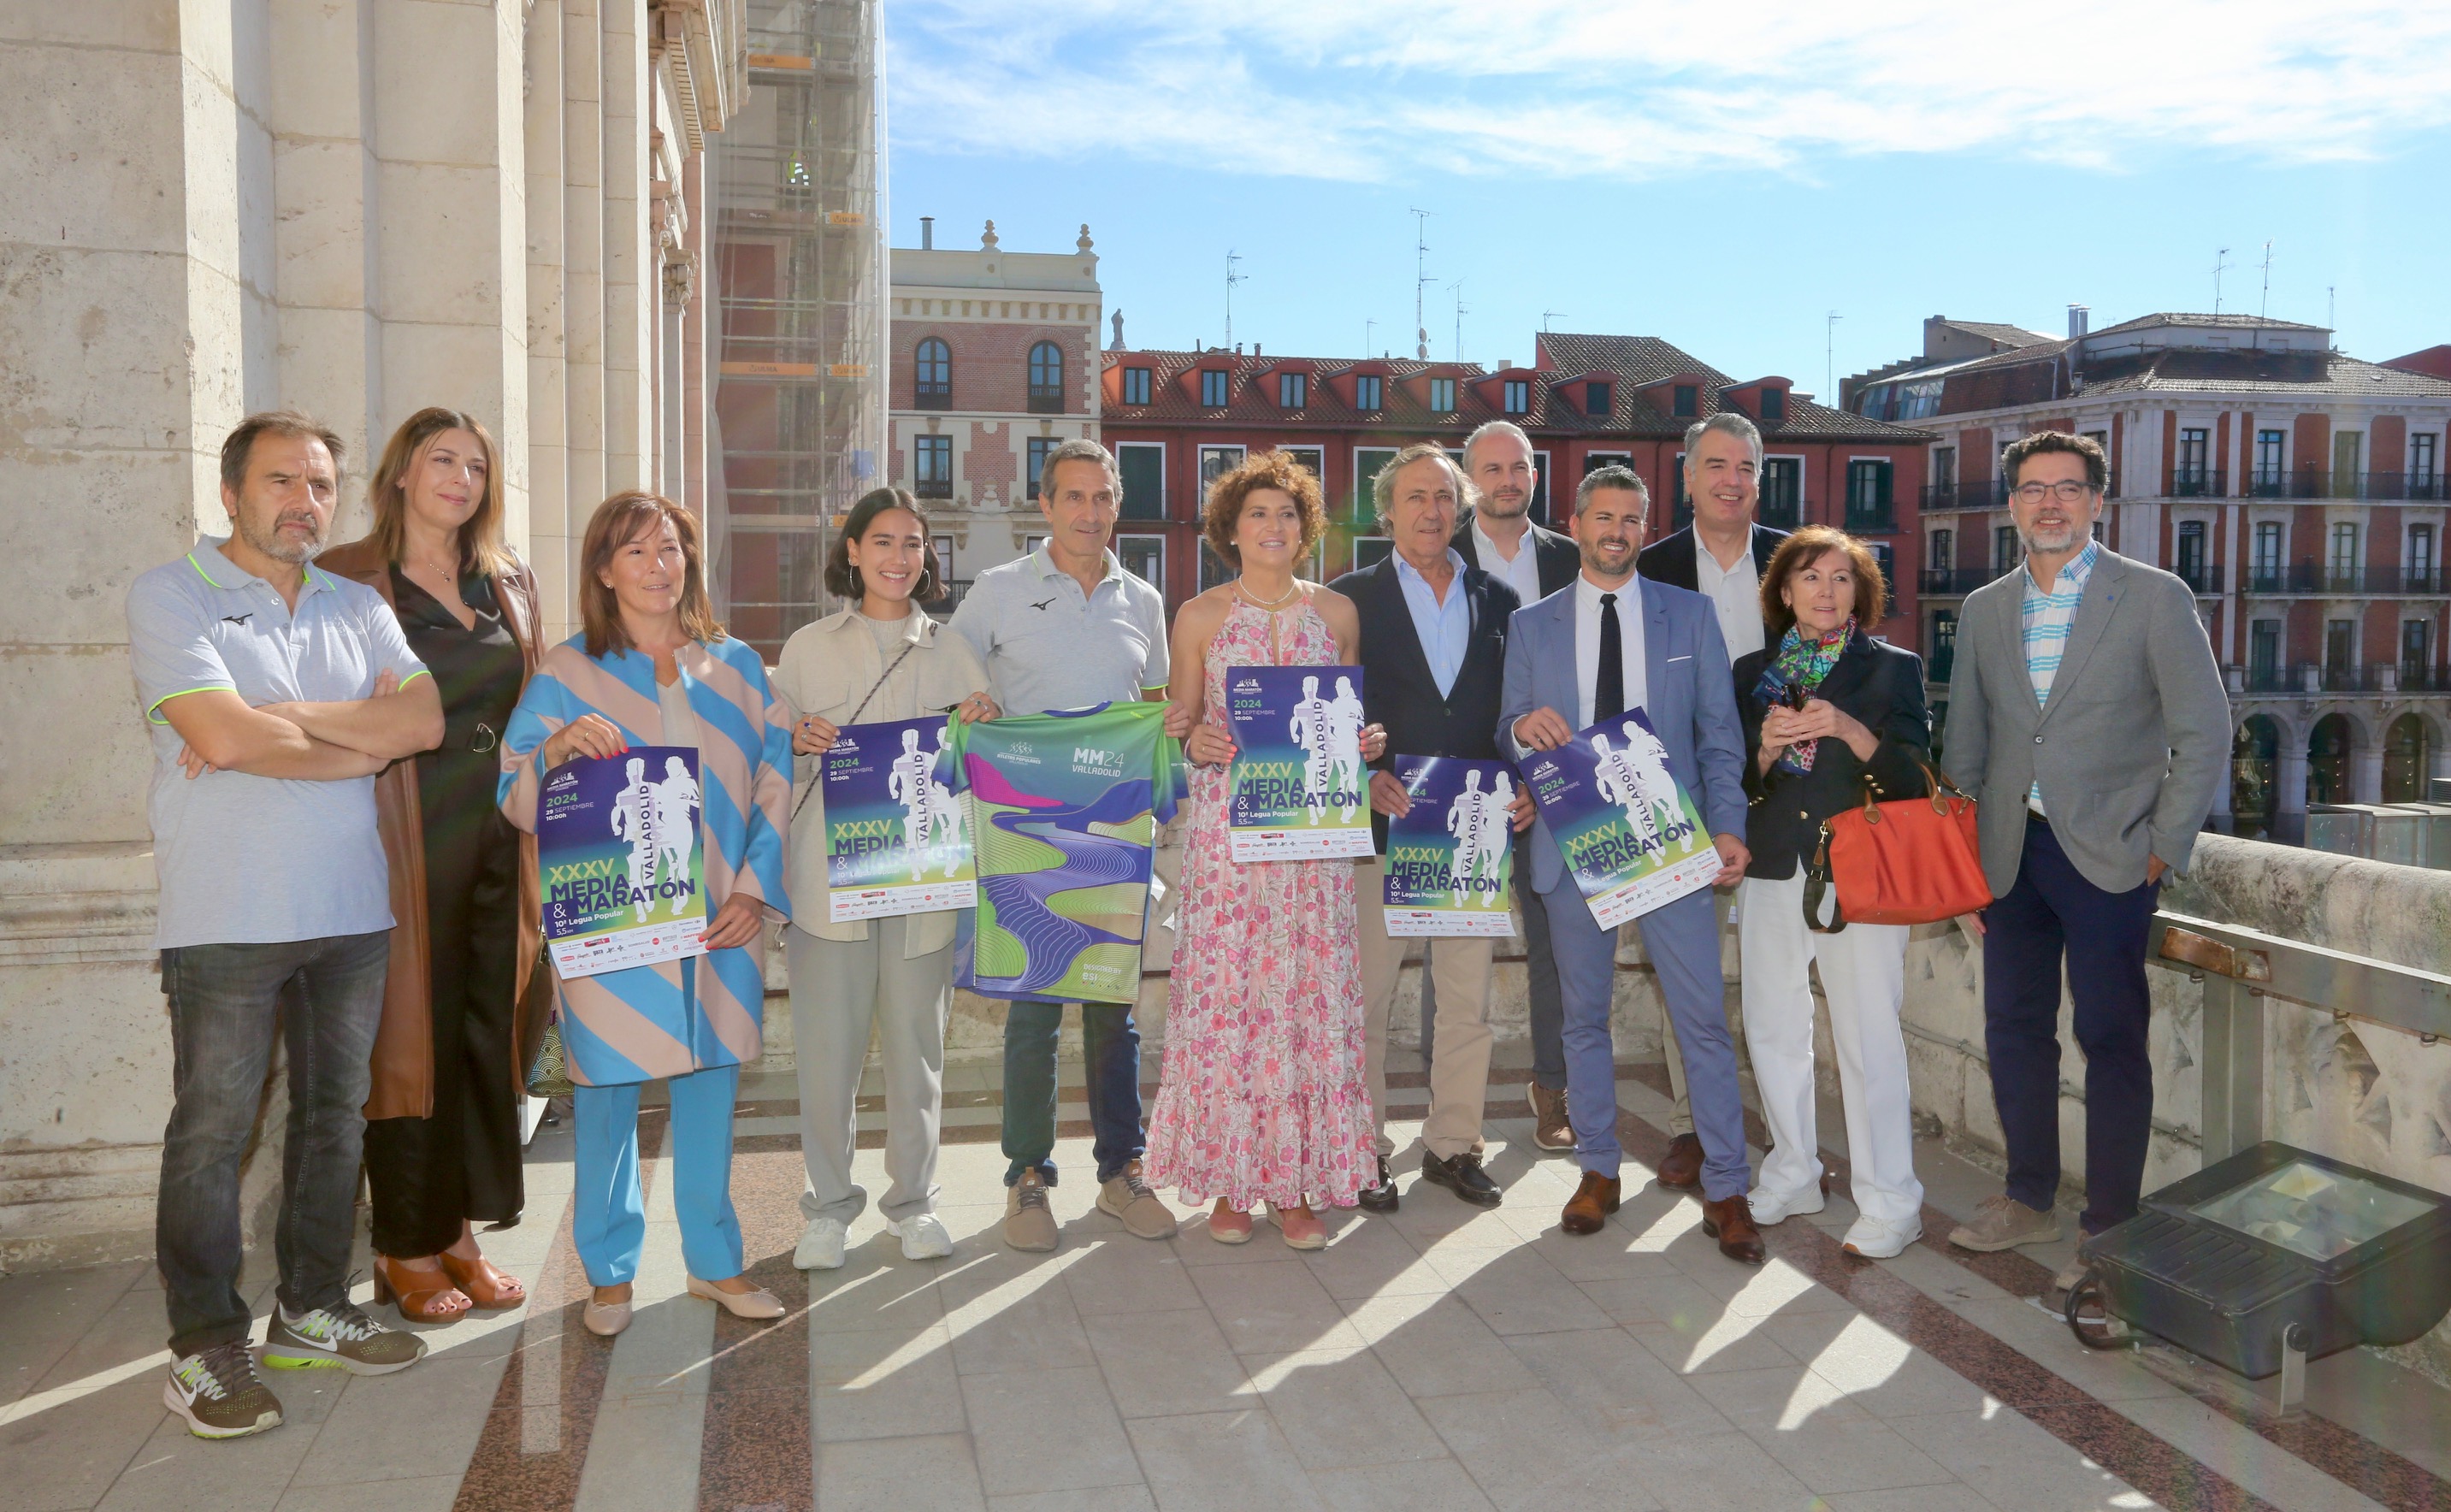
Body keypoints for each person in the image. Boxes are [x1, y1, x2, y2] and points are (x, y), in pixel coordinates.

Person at [129, 411, 444, 1438]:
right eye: (279, 481)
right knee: (212, 1132)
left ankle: (310, 1307)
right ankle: (204, 1348)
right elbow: (215, 732)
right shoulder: (171, 592)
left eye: (317, 483)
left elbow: (423, 723)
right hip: (226, 914)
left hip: (351, 909)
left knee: (332, 1117)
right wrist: (354, 737)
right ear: (232, 492)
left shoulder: (358, 602)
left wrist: (287, 720)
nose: (301, 501)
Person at [1940, 432, 2229, 1292]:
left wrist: (2160, 847)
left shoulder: (2149, 597)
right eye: (2033, 489)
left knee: (2109, 1040)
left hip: (2109, 857)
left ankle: (2107, 1230)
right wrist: (1964, 866)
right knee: (2014, 1032)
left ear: (2099, 502)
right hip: (2007, 856)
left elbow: (2203, 729)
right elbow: (1967, 744)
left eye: (2068, 488)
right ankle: (2027, 1198)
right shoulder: (1987, 606)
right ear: (2012, 506)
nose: (2051, 504)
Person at [499, 491, 792, 1337]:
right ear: (602, 570)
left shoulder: (736, 665)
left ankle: (716, 1263)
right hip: (614, 926)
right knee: (607, 1097)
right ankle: (610, 1273)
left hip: (721, 918)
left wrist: (753, 890)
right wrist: (553, 752)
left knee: (710, 1089)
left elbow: (774, 783)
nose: (659, 566)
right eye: (635, 552)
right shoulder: (565, 672)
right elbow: (511, 793)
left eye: (669, 548)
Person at [1498, 465, 1762, 1262]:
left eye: (1631, 518)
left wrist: (1728, 825)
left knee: (1702, 1022)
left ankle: (1726, 1184)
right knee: (1583, 1021)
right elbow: (1506, 724)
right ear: (1574, 523)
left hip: (1671, 843)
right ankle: (1599, 1170)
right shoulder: (1533, 624)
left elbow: (1721, 735)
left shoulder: (1689, 615)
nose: (1616, 530)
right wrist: (1522, 734)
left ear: (1647, 527)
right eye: (1603, 516)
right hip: (1572, 841)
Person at [320, 407, 546, 1325]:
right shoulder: (345, 579)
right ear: (402, 473)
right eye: (441, 459)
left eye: (476, 466)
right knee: (407, 1041)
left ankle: (458, 1229)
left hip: (498, 831)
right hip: (399, 828)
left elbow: (534, 700)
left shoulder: (509, 582)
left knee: (487, 1024)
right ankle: (404, 1245)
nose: (460, 478)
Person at [949, 440, 1189, 1252]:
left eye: (1102, 498)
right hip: (1023, 818)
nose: (1089, 513)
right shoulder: (996, 591)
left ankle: (1123, 1170)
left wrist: (1173, 738)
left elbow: (1153, 697)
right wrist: (972, 702)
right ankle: (1026, 1178)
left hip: (1116, 823)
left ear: (1116, 505)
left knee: (1111, 1011)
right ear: (1045, 505)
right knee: (1032, 1011)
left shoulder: (1144, 600)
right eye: (1073, 498)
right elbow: (954, 666)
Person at [1145, 450, 1384, 1247]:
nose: (1273, 526)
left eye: (1287, 513)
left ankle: (1298, 1188)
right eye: (1257, 514)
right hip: (1229, 845)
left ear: (1306, 526)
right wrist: (1197, 739)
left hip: (1314, 852)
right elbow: (1177, 726)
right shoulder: (1200, 616)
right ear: (1231, 529)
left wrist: (1367, 743)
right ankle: (1229, 1185)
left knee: (1305, 1009)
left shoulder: (1338, 615)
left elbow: (1349, 727)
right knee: (1230, 1008)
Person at [775, 487, 999, 1273]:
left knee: (917, 1056)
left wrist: (984, 724)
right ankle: (828, 1210)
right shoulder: (804, 650)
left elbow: (982, 773)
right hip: (825, 888)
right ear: (852, 552)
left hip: (921, 886)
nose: (899, 558)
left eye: (913, 543)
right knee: (826, 1060)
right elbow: (770, 768)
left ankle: (915, 1204)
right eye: (883, 542)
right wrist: (796, 738)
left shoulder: (955, 653)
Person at [1330, 444, 1529, 1213]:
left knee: (1466, 1001)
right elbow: (1333, 715)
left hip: (1474, 827)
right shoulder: (1347, 600)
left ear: (1464, 506)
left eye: (1444, 497)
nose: (1431, 512)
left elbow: (1511, 716)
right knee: (1368, 999)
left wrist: (1522, 786)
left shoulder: (1501, 600)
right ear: (1387, 512)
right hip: (1387, 826)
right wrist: (1358, 780)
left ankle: (1453, 1145)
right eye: (1415, 497)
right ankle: (1364, 1149)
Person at [1730, 528, 1932, 1259]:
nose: (1825, 591)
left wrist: (1849, 730)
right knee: (1772, 1028)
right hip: (1773, 867)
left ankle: (1891, 1201)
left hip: (1860, 874)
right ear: (1784, 592)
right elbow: (1732, 782)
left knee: (1868, 1036)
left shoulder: (1892, 670)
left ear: (1860, 592)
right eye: (1809, 577)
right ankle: (1793, 1170)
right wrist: (1765, 751)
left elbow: (1915, 779)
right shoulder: (1751, 671)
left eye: (1841, 579)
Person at [1636, 411, 1789, 1190]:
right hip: (1679, 797)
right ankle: (1692, 1126)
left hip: (1786, 795)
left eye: (1747, 467)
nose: (1733, 480)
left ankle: (1790, 1137)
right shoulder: (1651, 567)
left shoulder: (1796, 563)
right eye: (1718, 465)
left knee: (1782, 974)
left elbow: (1827, 656)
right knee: (1689, 971)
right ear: (1687, 476)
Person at [1450, 421, 1580, 1151]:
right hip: (1458, 782)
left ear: (1535, 476)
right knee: (1451, 943)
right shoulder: (1437, 556)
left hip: (1551, 784)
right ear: (1471, 480)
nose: (1508, 480)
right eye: (1493, 469)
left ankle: (1552, 1089)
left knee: (1555, 945)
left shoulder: (1570, 559)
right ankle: (1449, 1107)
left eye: (1520, 468)